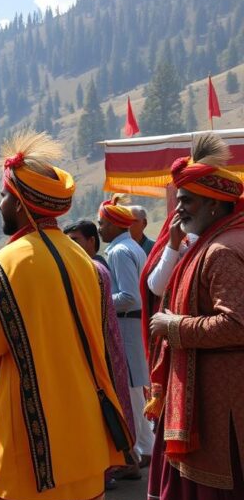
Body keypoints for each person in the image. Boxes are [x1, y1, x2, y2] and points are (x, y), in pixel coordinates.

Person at [0, 132, 129, 500]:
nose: (0, 204)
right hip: (85, 427)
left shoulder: (8, 262)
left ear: (22, 204)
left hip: (31, 432)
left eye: (5, 196)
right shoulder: (82, 257)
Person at [144, 133, 244, 500]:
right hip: (214, 395)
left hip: (223, 405)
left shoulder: (222, 251)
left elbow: (237, 323)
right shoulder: (216, 241)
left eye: (187, 200)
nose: (178, 209)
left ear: (215, 203)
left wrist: (175, 326)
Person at [65, 225, 139, 490]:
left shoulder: (91, 269)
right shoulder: (95, 267)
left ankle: (106, 471)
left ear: (92, 242)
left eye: (75, 240)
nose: (71, 245)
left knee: (99, 410)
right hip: (105, 347)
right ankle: (126, 462)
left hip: (98, 351)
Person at [98, 194, 153, 471]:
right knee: (134, 390)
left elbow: (129, 296)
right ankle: (145, 446)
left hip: (127, 324)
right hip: (132, 324)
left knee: (130, 390)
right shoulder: (130, 246)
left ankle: (140, 449)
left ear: (116, 225)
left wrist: (100, 299)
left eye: (102, 224)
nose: (99, 229)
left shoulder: (120, 252)